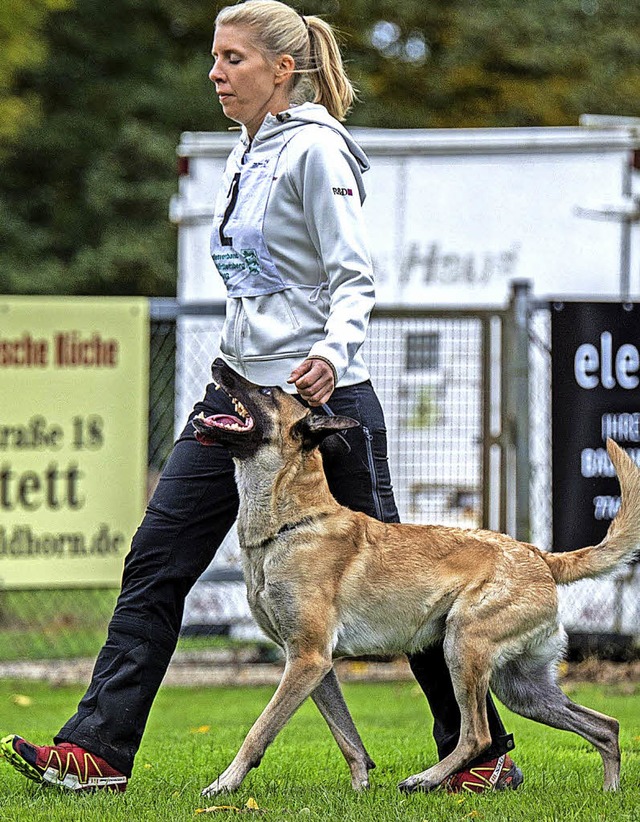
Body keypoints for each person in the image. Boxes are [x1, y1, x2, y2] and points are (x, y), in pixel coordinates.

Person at [1, 0, 522, 795]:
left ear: (284, 69)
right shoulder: (241, 154)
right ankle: (98, 752)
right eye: (214, 58)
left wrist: (327, 353)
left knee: (405, 584)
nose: (215, 73)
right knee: (155, 560)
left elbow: (355, 278)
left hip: (318, 411)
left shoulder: (318, 151)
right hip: (238, 399)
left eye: (233, 59)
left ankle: (478, 757)